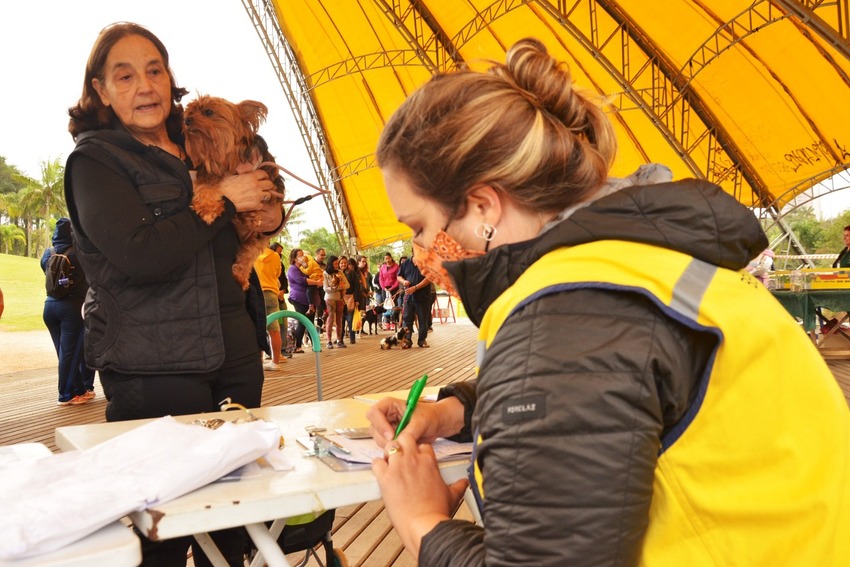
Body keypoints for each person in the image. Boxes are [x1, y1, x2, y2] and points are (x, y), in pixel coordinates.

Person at [366, 38, 850, 565]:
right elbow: (622, 384)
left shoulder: (561, 319)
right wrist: (457, 410)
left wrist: (422, 522)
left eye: (420, 226)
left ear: (483, 205)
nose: (420, 249)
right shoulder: (636, 263)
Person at [64, 22, 283, 566]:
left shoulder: (196, 138)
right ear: (100, 91)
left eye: (155, 70)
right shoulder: (96, 161)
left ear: (170, 78)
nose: (145, 86)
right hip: (155, 370)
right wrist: (226, 201)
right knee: (164, 528)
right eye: (126, 75)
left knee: (235, 518)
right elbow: (142, 255)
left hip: (233, 354)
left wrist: (268, 209)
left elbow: (243, 216)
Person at [40, 218, 96, 405]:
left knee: (65, 353)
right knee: (71, 354)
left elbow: (46, 270)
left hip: (49, 306)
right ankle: (66, 395)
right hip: (71, 307)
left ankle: (78, 389)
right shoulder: (79, 253)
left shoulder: (49, 253)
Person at [254, 242, 285, 370]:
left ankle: (259, 360)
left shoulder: (252, 254)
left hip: (256, 293)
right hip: (272, 292)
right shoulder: (275, 256)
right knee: (274, 329)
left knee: (256, 328)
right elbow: (278, 273)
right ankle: (275, 362)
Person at [287, 248, 321, 352]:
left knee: (310, 322)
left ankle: (316, 345)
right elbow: (301, 281)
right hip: (298, 298)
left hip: (308, 299)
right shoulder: (292, 269)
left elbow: (313, 274)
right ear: (294, 258)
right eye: (300, 256)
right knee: (302, 321)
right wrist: (316, 282)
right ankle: (297, 346)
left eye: (303, 255)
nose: (303, 257)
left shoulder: (304, 268)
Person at [397, 250, 431, 347]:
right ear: (412, 252)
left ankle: (422, 340)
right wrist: (404, 282)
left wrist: (415, 288)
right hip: (409, 296)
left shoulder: (426, 262)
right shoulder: (406, 263)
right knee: (407, 318)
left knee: (423, 319)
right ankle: (407, 340)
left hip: (423, 296)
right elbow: (399, 276)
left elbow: (429, 278)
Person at [322, 255, 348, 349]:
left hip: (339, 298)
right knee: (330, 319)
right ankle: (328, 341)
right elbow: (325, 288)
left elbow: (347, 284)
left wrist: (338, 287)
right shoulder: (325, 273)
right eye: (336, 263)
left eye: (338, 263)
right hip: (330, 298)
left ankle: (339, 340)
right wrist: (335, 288)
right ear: (331, 263)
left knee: (339, 319)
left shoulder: (340, 273)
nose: (337, 265)